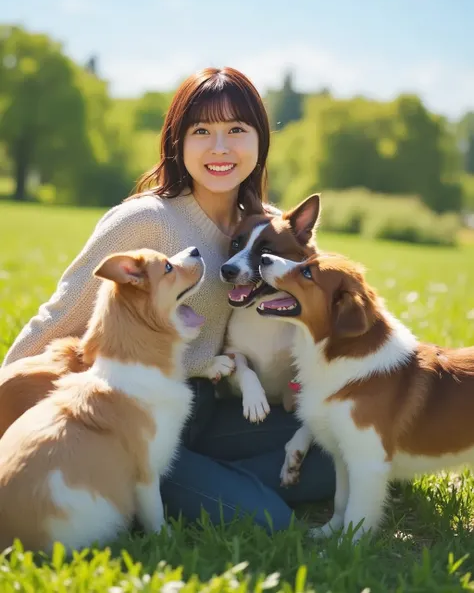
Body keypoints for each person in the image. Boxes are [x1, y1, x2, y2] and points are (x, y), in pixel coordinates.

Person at [3, 67, 335, 532]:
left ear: (260, 141)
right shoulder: (146, 221)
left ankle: (192, 485)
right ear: (177, 141)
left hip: (212, 407)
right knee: (266, 518)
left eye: (236, 130)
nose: (220, 148)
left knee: (335, 452)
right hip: (133, 417)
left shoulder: (269, 230)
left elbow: (327, 302)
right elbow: (59, 317)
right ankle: (154, 482)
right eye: (202, 131)